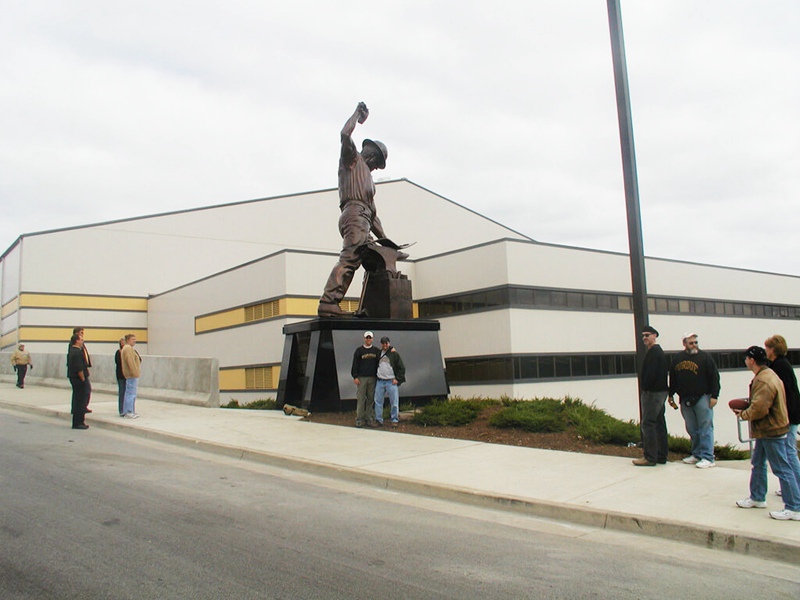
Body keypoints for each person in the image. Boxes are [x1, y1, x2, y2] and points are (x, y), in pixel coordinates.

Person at [318, 102, 390, 317]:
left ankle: (374, 309)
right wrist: (357, 115)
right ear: (371, 155)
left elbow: (373, 214)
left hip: (364, 220)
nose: (376, 167)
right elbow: (344, 134)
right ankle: (329, 302)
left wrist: (386, 242)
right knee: (350, 258)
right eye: (378, 162)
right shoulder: (352, 160)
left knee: (376, 260)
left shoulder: (369, 180)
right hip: (354, 216)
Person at [733, 346, 800, 521]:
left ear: (752, 360)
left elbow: (760, 407)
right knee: (758, 463)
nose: (745, 361)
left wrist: (743, 414)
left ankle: (794, 507)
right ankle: (757, 497)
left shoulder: (763, 380)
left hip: (771, 430)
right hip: (765, 430)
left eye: (746, 358)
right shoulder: (767, 374)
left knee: (782, 468)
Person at [668, 332, 721, 469]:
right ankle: (696, 454)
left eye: (696, 342)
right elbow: (673, 377)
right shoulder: (678, 358)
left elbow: (714, 377)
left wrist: (714, 395)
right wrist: (671, 394)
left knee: (705, 427)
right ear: (684, 343)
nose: (694, 345)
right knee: (692, 428)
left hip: (703, 397)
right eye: (691, 343)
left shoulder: (705, 357)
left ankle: (708, 457)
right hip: (685, 398)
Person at [764, 334, 800, 495]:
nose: (765, 351)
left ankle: (796, 487)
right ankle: (792, 485)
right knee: (788, 451)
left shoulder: (779, 367)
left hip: (789, 415)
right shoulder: (780, 364)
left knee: (789, 452)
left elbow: (784, 394)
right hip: (791, 414)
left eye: (767, 348)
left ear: (772, 350)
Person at [633, 326, 669, 466]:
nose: (645, 338)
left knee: (648, 423)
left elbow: (651, 375)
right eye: (643, 336)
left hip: (653, 393)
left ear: (655, 336)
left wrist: (645, 388)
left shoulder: (655, 352)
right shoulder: (655, 352)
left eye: (647, 335)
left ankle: (650, 457)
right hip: (658, 392)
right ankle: (661, 456)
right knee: (659, 423)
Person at [374, 336, 406, 427]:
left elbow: (402, 367)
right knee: (378, 401)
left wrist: (398, 379)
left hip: (391, 381)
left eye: (386, 343)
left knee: (394, 402)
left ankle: (394, 420)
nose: (385, 345)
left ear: (389, 343)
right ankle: (379, 420)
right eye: (383, 343)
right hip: (380, 381)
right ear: (381, 344)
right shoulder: (378, 353)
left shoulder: (394, 354)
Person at [351, 331, 379, 427]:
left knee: (371, 398)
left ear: (372, 339)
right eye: (367, 338)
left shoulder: (376, 351)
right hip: (361, 378)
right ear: (364, 339)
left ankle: (369, 418)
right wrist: (355, 376)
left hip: (373, 378)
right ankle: (359, 419)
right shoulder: (359, 351)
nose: (368, 339)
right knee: (361, 398)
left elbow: (383, 358)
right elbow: (355, 364)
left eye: (370, 338)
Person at [66, 334, 89, 430]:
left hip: (73, 378)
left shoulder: (71, 351)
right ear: (76, 341)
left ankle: (77, 421)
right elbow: (79, 368)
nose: (82, 341)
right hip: (79, 379)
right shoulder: (78, 352)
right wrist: (83, 379)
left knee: (76, 399)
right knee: (80, 400)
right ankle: (79, 422)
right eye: (81, 340)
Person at [72, 327, 93, 413]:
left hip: (84, 370)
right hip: (79, 374)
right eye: (81, 333)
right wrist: (82, 377)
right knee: (82, 391)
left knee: (83, 391)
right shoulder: (74, 347)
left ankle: (82, 406)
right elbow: (77, 363)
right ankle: (80, 408)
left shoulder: (80, 345)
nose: (82, 335)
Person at [121, 333, 142, 418]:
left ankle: (130, 410)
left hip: (130, 374)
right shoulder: (128, 349)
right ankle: (129, 411)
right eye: (133, 339)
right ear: (128, 340)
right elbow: (130, 362)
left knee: (130, 393)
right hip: (131, 375)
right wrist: (135, 372)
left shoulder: (127, 349)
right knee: (130, 393)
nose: (135, 341)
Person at [114, 337, 127, 416]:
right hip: (121, 375)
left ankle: (128, 409)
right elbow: (118, 362)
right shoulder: (118, 352)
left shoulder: (130, 351)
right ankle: (121, 409)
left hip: (128, 375)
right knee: (122, 392)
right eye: (122, 342)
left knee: (128, 392)